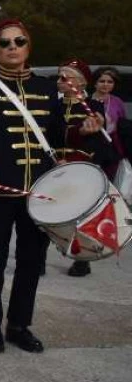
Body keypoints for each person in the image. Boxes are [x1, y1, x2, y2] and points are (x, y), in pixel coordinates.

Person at [0, 19, 100, 353]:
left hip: (40, 190)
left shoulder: (47, 88)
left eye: (19, 41)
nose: (12, 47)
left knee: (32, 259)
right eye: (4, 43)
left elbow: (58, 133)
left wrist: (83, 131)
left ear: (28, 47)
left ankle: (19, 324)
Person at [57, 60, 111, 278]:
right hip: (53, 166)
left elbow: (96, 145)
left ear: (80, 83)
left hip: (79, 168)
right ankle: (37, 258)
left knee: (78, 216)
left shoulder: (94, 109)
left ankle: (82, 258)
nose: (59, 82)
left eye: (65, 78)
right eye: (59, 77)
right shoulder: (54, 106)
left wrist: (71, 160)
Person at [92, 67, 126, 172]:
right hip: (93, 146)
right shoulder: (87, 102)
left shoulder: (117, 102)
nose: (105, 84)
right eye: (102, 81)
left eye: (110, 82)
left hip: (112, 147)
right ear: (95, 83)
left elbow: (122, 124)